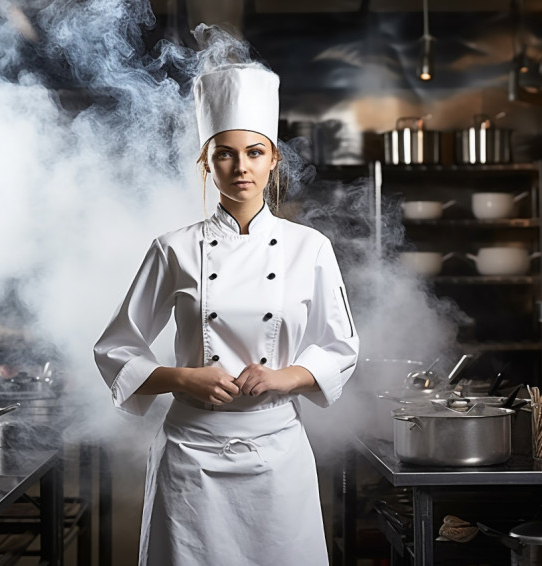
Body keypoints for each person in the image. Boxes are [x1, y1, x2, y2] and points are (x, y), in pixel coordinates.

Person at [94, 63, 360, 566]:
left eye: (254, 153)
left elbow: (341, 348)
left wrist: (284, 379)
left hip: (277, 453)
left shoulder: (311, 248)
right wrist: (181, 378)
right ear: (206, 163)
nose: (241, 167)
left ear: (273, 160)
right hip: (191, 456)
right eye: (225, 154)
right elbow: (114, 348)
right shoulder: (171, 249)